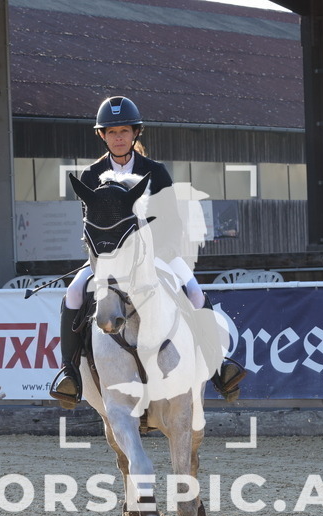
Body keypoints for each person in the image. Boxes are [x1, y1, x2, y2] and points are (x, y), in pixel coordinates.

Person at [49, 95, 245, 408]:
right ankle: (68, 373)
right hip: (108, 260)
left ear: (135, 133)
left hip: (157, 255)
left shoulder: (156, 172)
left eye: (124, 131)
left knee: (193, 292)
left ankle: (219, 365)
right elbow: (90, 228)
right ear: (102, 135)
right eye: (111, 132)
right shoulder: (89, 176)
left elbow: (172, 224)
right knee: (73, 294)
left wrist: (153, 253)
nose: (118, 137)